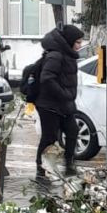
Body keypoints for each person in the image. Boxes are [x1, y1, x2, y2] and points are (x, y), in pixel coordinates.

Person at [35, 23, 84, 181]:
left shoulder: (67, 55)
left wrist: (66, 96)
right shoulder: (55, 55)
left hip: (64, 104)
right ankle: (41, 168)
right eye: (77, 42)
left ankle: (69, 164)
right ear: (69, 41)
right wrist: (63, 93)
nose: (80, 45)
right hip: (49, 105)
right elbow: (47, 78)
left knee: (72, 131)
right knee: (49, 138)